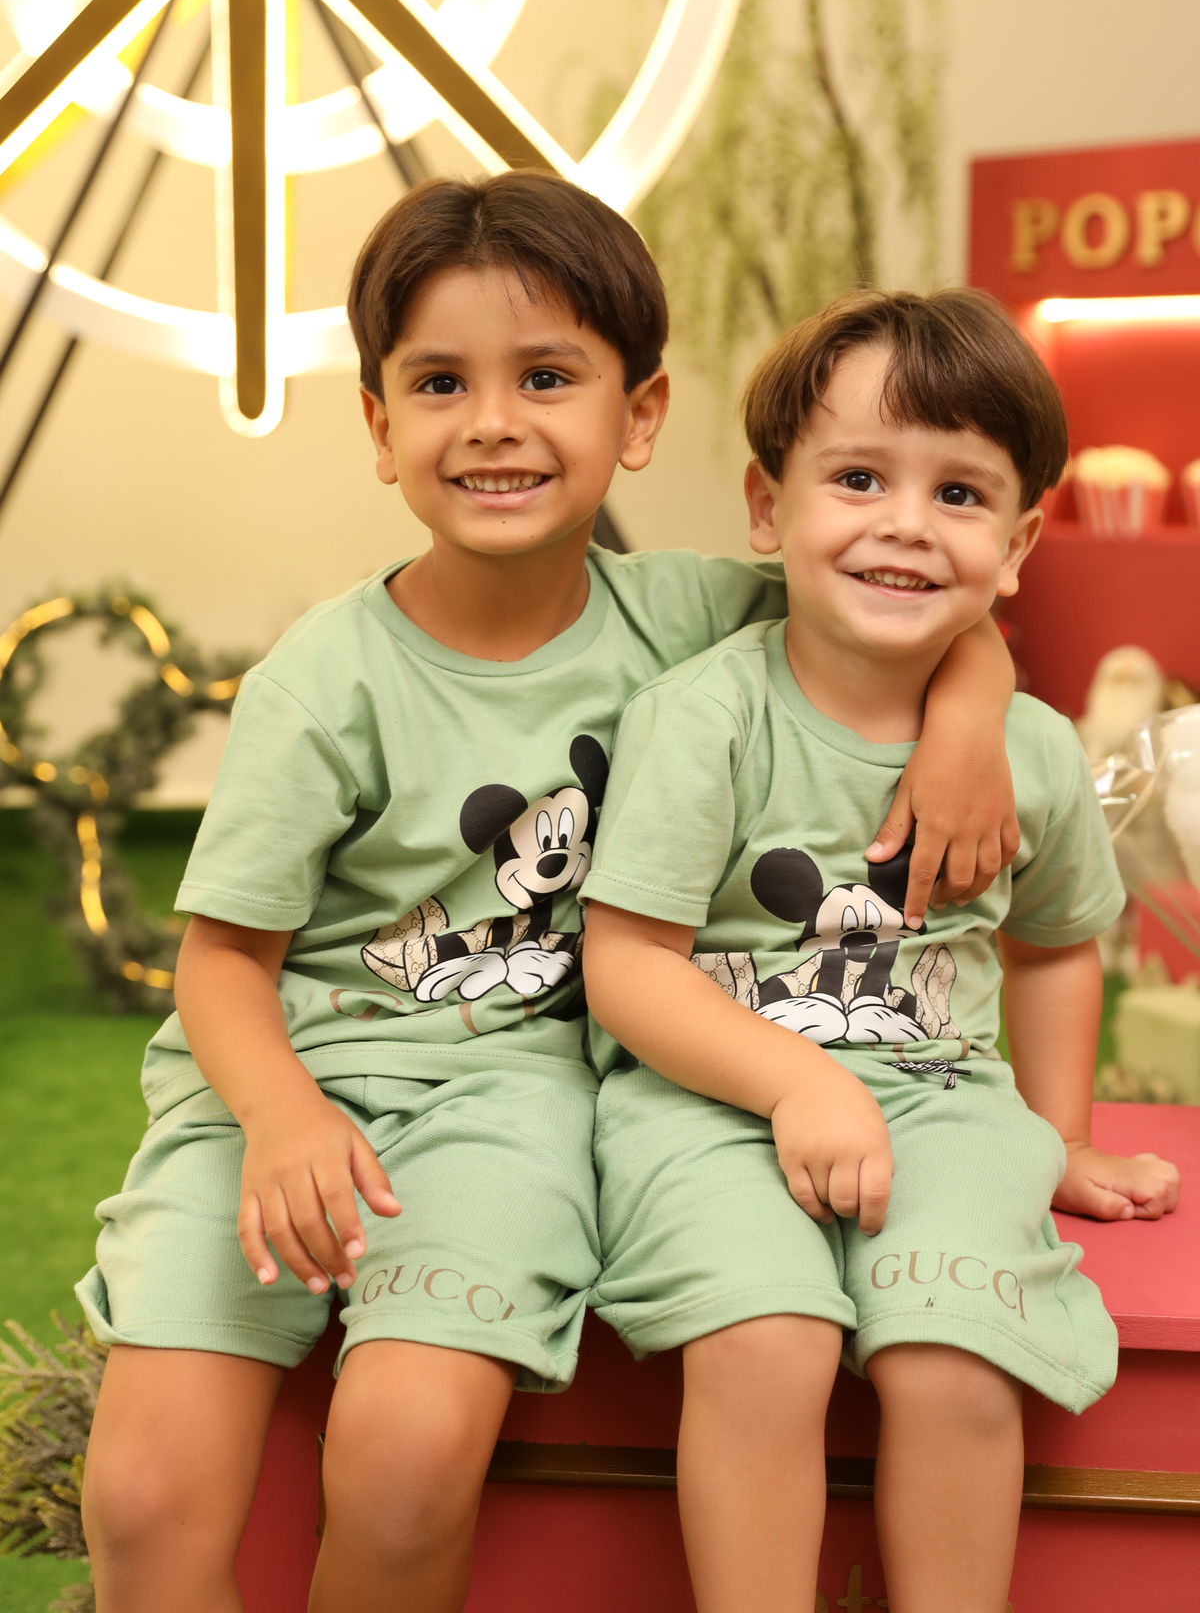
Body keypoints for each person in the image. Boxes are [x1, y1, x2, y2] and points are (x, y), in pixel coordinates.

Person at [78, 180, 1020, 1613]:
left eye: (546, 378)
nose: (493, 423)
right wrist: (281, 1118)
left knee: (404, 1462)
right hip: (273, 1087)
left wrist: (970, 712)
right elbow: (218, 964)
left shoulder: (694, 616)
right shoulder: (322, 683)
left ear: (638, 416)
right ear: (380, 427)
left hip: (513, 1102)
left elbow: (914, 599)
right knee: (143, 1497)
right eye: (439, 383)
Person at [580, 288, 1181, 1613]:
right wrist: (798, 1083)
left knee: (957, 1359)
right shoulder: (706, 717)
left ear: (1018, 544)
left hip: (943, 1100)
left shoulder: (1030, 749)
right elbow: (626, 964)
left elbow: (1055, 946)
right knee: (765, 1345)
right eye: (858, 478)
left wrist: (1061, 1135)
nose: (906, 523)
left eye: (958, 494)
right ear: (767, 507)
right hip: (708, 1103)